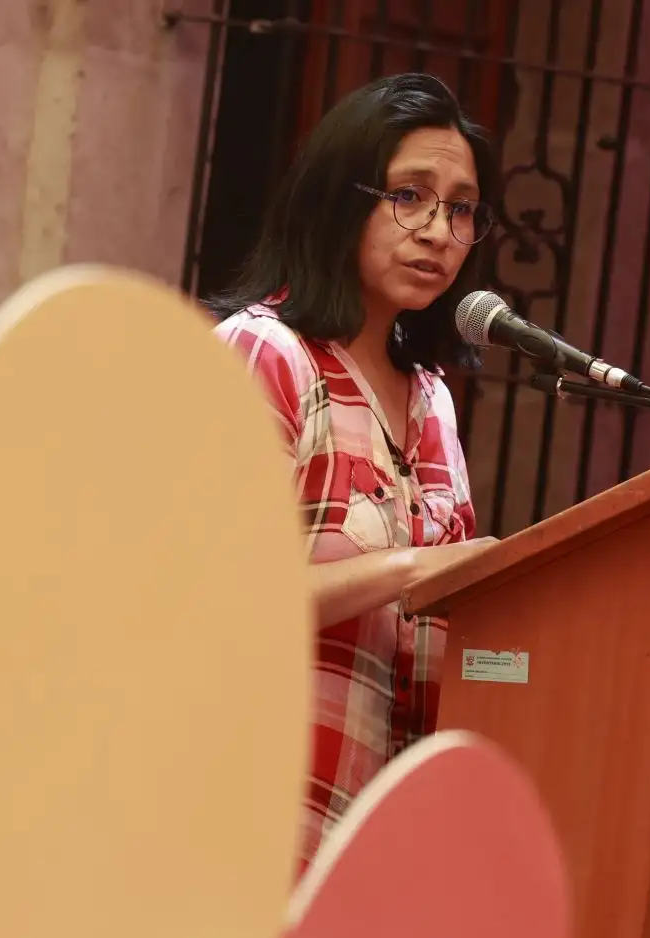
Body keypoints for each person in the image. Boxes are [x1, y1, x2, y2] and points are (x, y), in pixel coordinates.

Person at [212, 73, 500, 877]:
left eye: (462, 208)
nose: (439, 229)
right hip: (252, 840)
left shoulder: (434, 398)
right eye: (411, 196)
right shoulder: (267, 353)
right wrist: (410, 568)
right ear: (343, 198)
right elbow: (213, 600)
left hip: (382, 861)